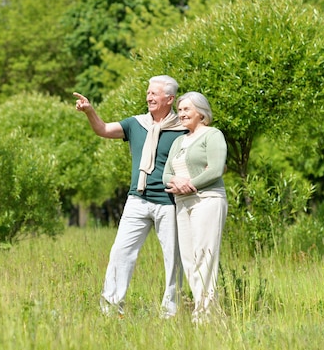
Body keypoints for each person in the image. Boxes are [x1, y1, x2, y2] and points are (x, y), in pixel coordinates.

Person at [73, 75, 187, 318]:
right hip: (137, 200)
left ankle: (171, 313)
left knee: (174, 260)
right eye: (148, 93)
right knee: (121, 252)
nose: (148, 97)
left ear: (169, 99)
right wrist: (90, 111)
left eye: (154, 93)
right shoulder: (136, 124)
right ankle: (111, 309)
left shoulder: (184, 129)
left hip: (170, 204)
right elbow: (103, 129)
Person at [163, 91, 228, 324]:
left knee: (204, 256)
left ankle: (205, 314)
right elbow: (166, 174)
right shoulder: (179, 141)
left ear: (201, 112)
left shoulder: (213, 135)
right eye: (179, 110)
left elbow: (216, 169)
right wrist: (176, 183)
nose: (181, 114)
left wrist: (189, 184)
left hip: (207, 200)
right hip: (182, 203)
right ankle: (204, 310)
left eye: (186, 109)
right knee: (189, 259)